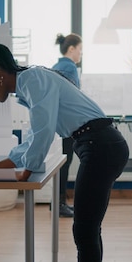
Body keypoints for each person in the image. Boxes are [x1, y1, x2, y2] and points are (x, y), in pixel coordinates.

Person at [0, 43, 129, 262]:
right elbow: (37, 135)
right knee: (87, 227)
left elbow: (43, 133)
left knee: (85, 228)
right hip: (100, 144)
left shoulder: (33, 80)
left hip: (100, 146)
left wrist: (27, 171)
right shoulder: (31, 82)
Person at [52, 33, 83, 218]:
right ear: (71, 49)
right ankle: (60, 203)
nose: (80, 54)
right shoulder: (69, 68)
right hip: (67, 123)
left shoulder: (57, 66)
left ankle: (58, 202)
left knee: (62, 162)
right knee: (65, 162)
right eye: (80, 50)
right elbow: (72, 98)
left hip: (58, 122)